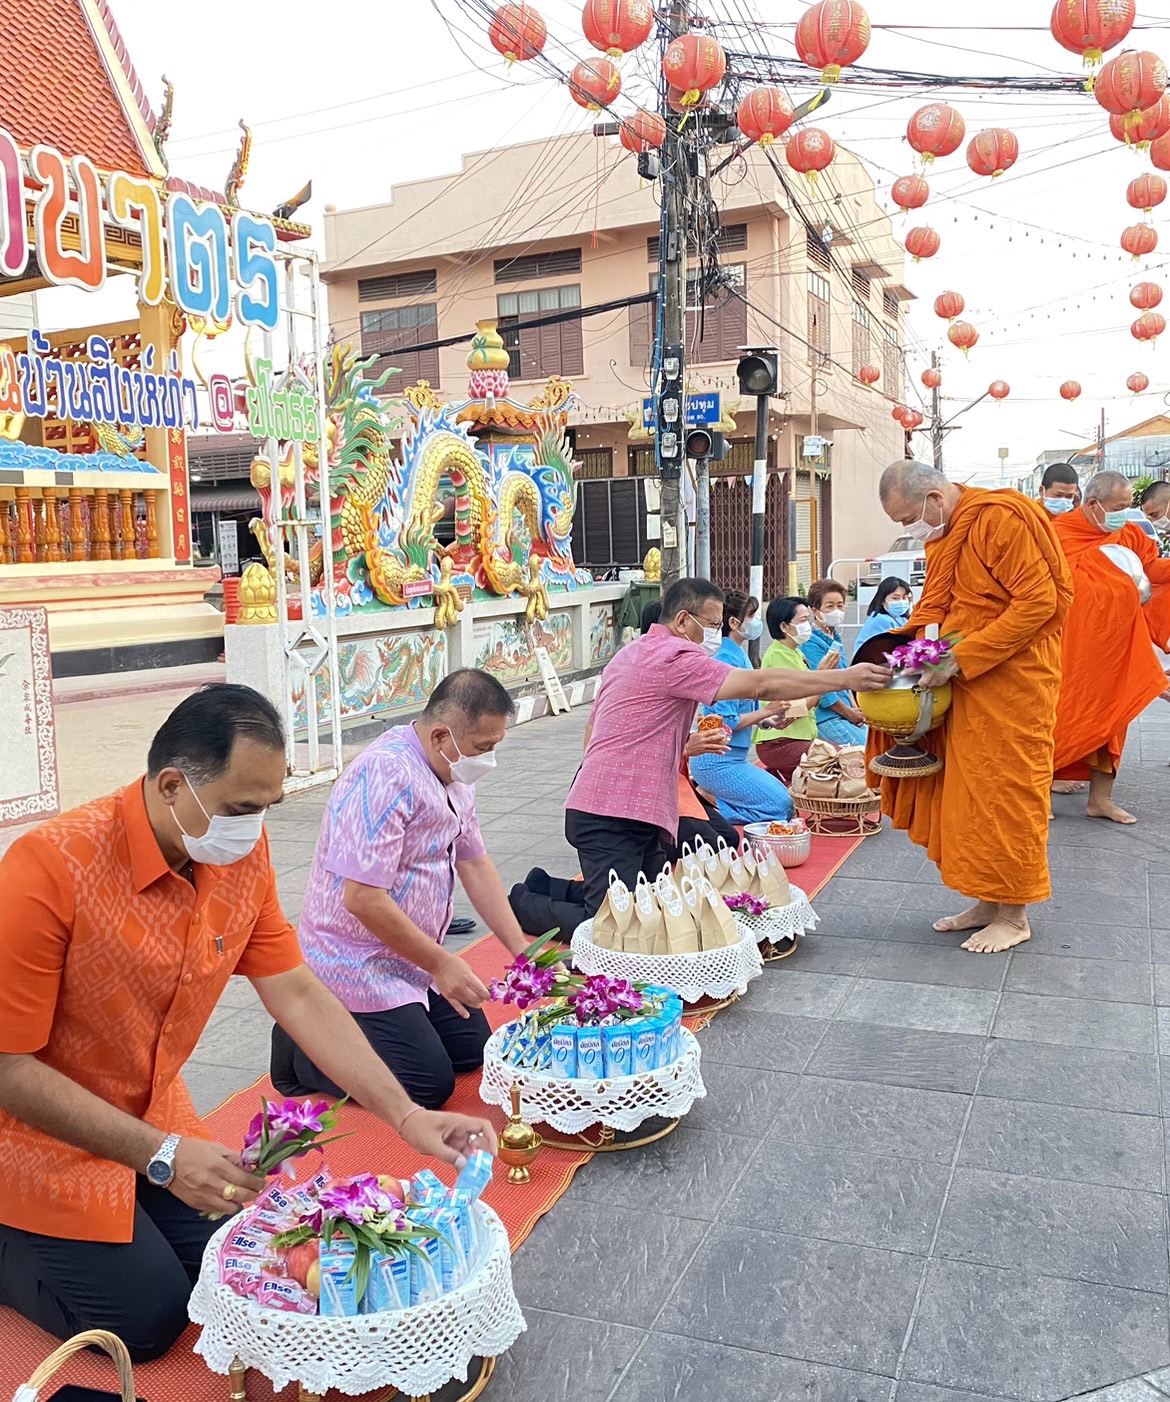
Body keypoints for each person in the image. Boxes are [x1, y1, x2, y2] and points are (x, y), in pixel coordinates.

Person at [0, 684, 495, 1361]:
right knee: (146, 1323)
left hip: (155, 1114)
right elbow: (8, 1068)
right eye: (240, 808)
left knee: (230, 1263)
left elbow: (295, 991)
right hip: (36, 1140)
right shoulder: (48, 869)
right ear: (172, 785)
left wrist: (405, 1116)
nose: (254, 828)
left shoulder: (235, 858)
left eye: (267, 808)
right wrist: (162, 1158)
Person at [271, 670, 531, 1111]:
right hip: (356, 959)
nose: (488, 759)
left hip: (413, 956)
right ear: (441, 736)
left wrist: (522, 951)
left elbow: (474, 861)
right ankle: (301, 1052)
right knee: (426, 1086)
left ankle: (373, 1026)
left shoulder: (454, 774)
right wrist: (442, 963)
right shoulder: (384, 775)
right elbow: (362, 899)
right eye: (483, 747)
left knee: (476, 1051)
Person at [564, 576, 891, 915]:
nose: (714, 635)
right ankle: (521, 905)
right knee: (611, 921)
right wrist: (845, 678)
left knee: (650, 910)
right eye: (711, 625)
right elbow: (761, 686)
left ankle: (541, 889)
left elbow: (598, 730)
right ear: (682, 621)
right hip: (612, 810)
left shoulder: (630, 653)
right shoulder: (675, 656)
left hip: (627, 803)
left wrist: (674, 748)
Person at [871, 461, 1072, 954]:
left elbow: (1039, 603)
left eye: (906, 520)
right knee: (970, 791)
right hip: (964, 678)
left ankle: (1016, 914)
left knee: (1006, 793)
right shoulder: (947, 532)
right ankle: (988, 900)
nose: (909, 530)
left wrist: (960, 658)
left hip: (1012, 679)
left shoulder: (999, 517)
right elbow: (946, 606)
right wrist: (912, 654)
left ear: (934, 500)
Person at [1051, 471, 1170, 824]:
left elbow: (1151, 569)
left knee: (1114, 723)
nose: (1123, 514)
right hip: (1071, 650)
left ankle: (1100, 801)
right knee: (1060, 718)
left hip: (1117, 650)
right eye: (1117, 507)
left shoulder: (1128, 533)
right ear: (1092, 504)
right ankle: (1040, 798)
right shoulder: (1057, 535)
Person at [687, 589, 796, 825]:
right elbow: (725, 721)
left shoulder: (738, 655)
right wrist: (767, 711)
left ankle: (715, 803)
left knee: (786, 804)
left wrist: (769, 720)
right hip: (717, 761)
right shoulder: (725, 659)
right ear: (734, 623)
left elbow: (742, 711)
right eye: (752, 616)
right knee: (779, 807)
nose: (756, 622)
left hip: (734, 757)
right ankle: (710, 811)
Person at [755, 596, 822, 783]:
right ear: (784, 627)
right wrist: (823, 680)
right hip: (781, 741)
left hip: (798, 737)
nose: (808, 625)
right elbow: (796, 708)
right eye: (802, 621)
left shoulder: (795, 652)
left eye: (808, 619)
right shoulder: (778, 655)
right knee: (835, 757)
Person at [799, 578, 868, 745]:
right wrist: (849, 713)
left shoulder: (834, 637)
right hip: (828, 717)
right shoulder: (810, 642)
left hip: (846, 713)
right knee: (864, 751)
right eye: (829, 606)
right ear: (816, 611)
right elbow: (823, 688)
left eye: (840, 605)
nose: (836, 610)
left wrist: (855, 708)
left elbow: (845, 678)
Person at [854, 576, 914, 651]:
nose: (901, 601)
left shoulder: (901, 619)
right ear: (883, 600)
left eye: (904, 598)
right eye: (895, 598)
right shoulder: (881, 620)